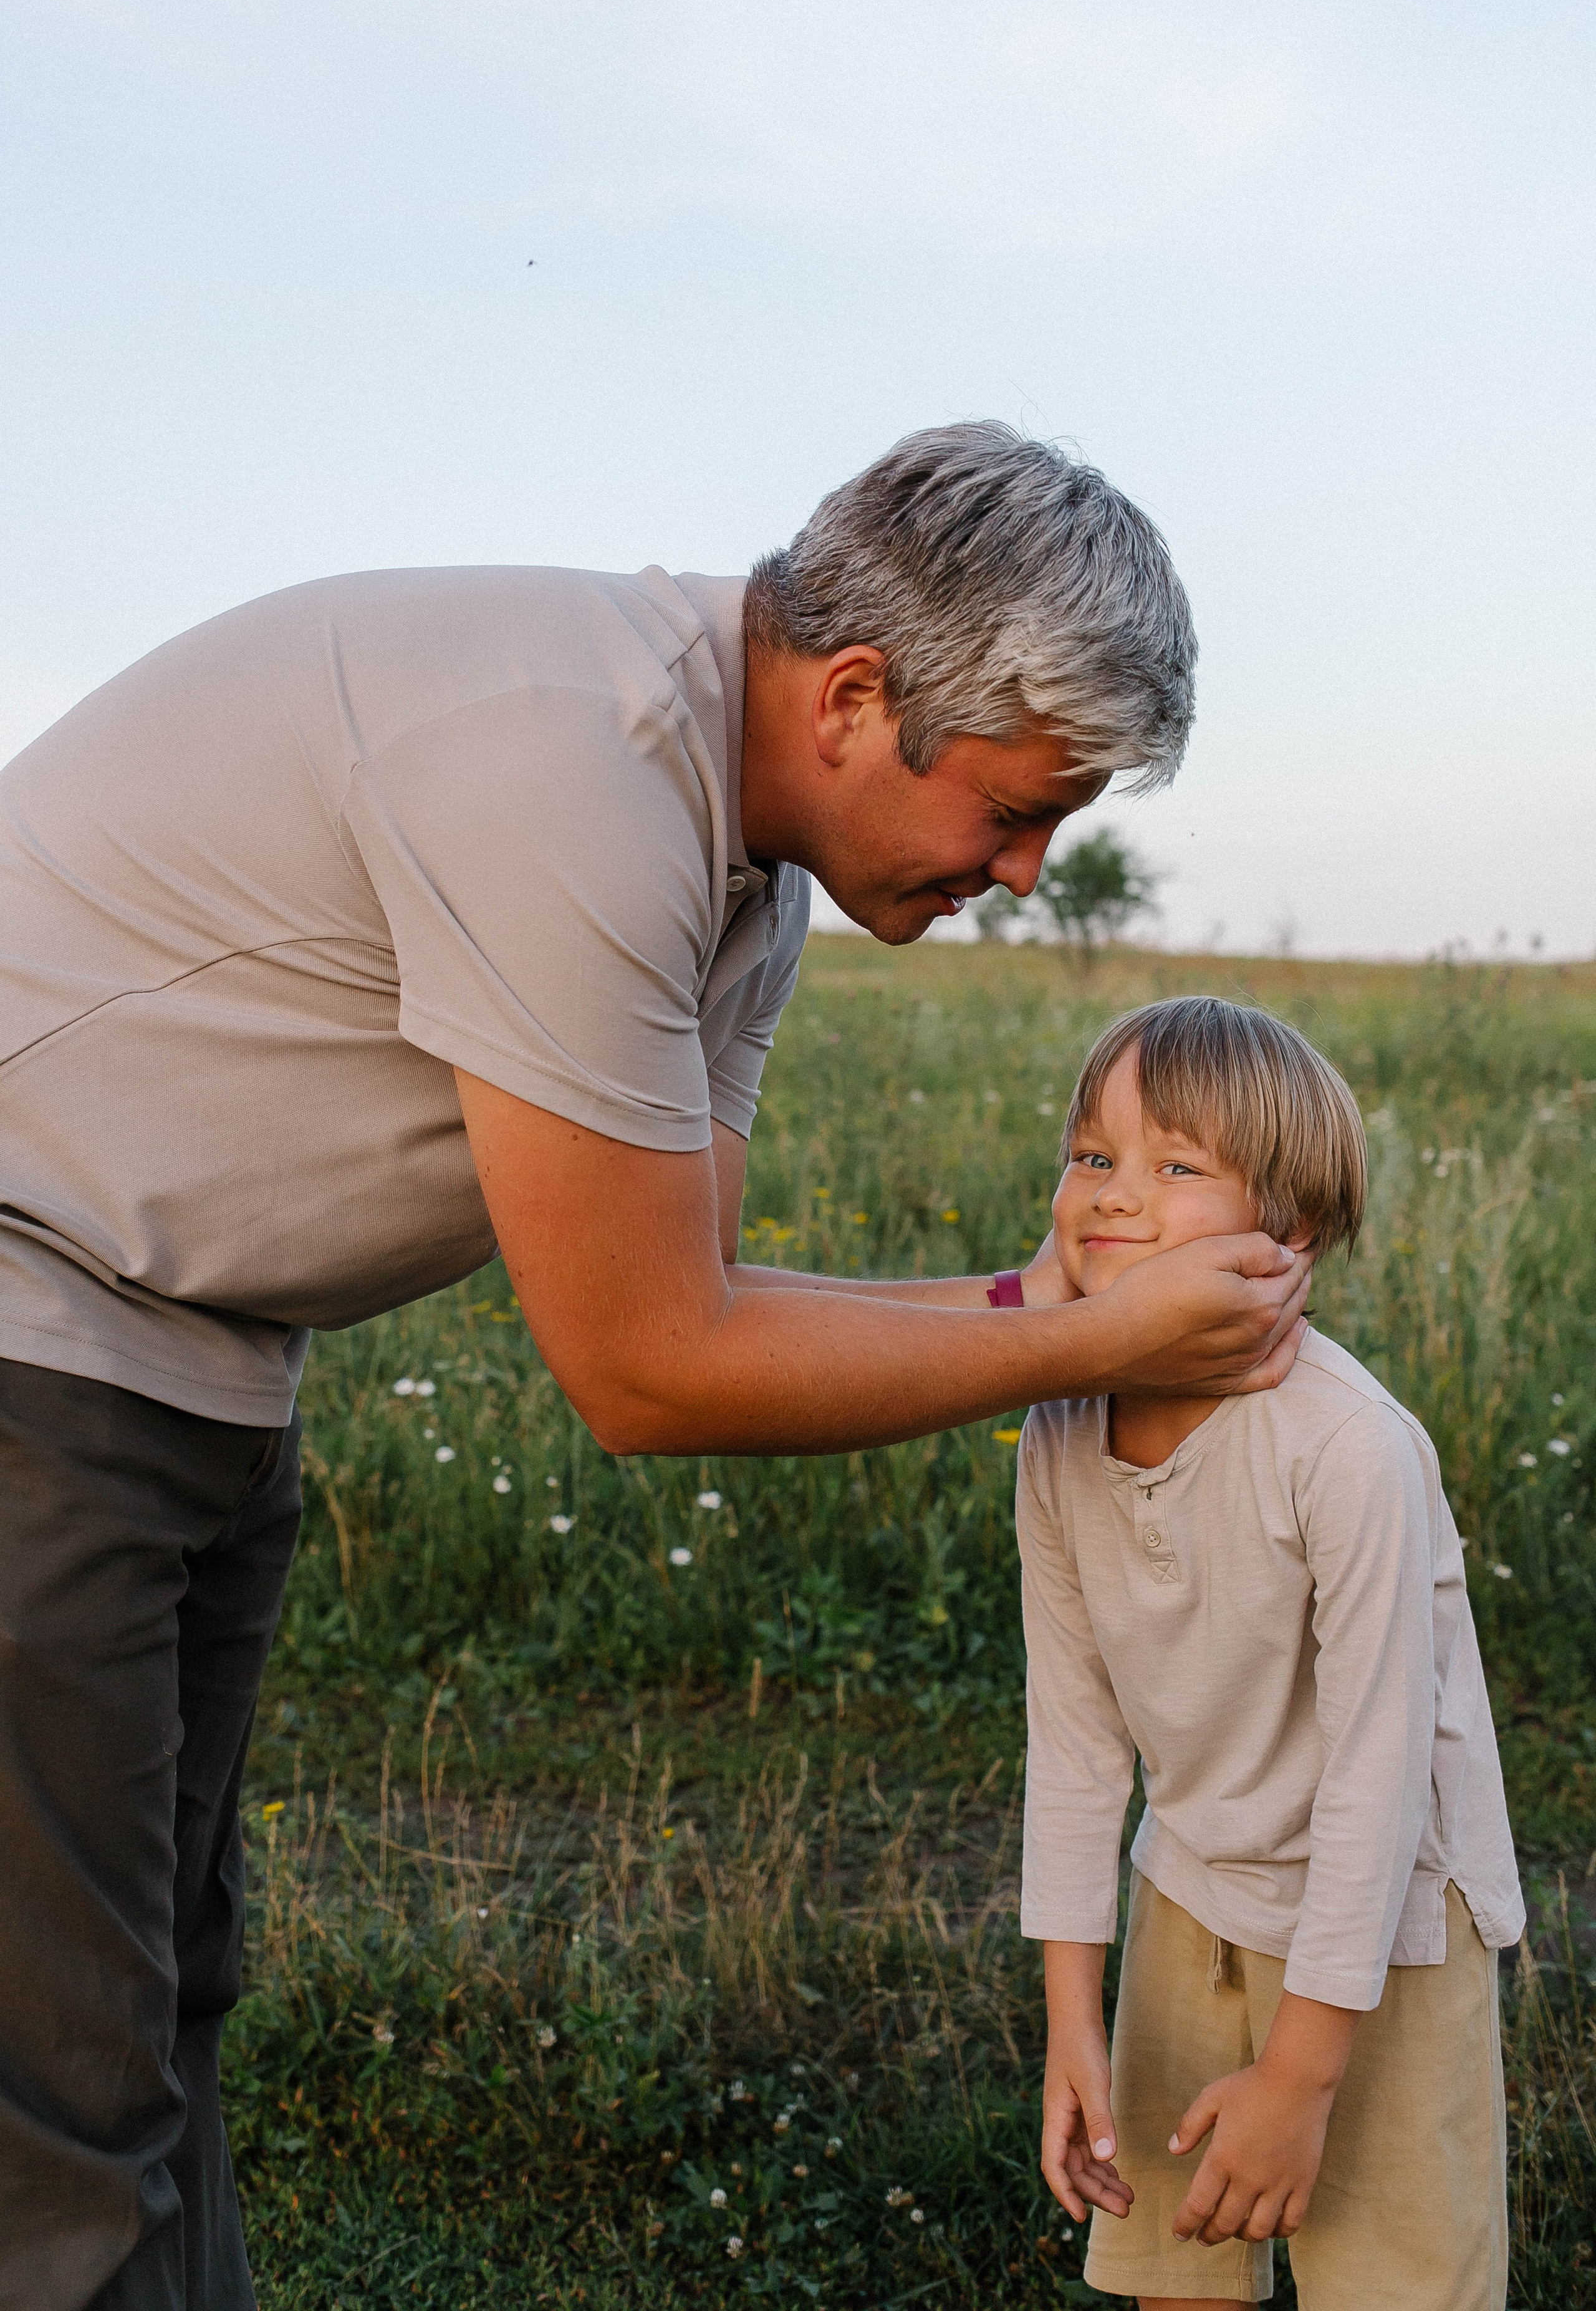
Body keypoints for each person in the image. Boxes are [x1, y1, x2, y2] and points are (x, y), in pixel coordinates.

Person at [0, 425, 1312, 2309]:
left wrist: (1043, 1310)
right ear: (859, 698)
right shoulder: (570, 765)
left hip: (191, 1361)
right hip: (35, 1334)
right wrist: (1108, 1340)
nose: (1026, 873)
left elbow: (696, 1284)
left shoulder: (744, 888)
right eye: (1018, 814)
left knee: (154, 2002)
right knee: (53, 2074)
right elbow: (650, 1373)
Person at [1020, 996, 1524, 2310]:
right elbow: (1073, 1745)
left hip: (1386, 1923)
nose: (1113, 1197)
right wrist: (1074, 2018)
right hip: (1190, 1890)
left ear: (1285, 1233)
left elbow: (1374, 1776)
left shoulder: (1346, 1446)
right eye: (1090, 1157)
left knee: (1394, 2286)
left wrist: (1302, 2073)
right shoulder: (1057, 1426)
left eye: (1174, 1166)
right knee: (1178, 2268)